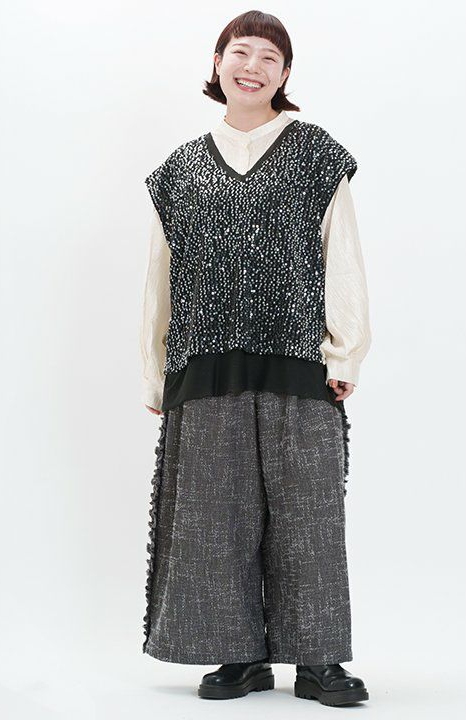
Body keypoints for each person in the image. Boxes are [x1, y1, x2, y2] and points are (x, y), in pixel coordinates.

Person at [139, 10, 371, 707]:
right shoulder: (179, 170)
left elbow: (343, 257)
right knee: (216, 518)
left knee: (308, 516)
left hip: (300, 360)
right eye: (241, 52)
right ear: (218, 63)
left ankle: (320, 660)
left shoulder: (316, 154)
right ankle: (238, 656)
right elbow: (160, 277)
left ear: (285, 74)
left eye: (271, 57)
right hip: (204, 364)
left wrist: (346, 353)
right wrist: (154, 370)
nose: (254, 66)